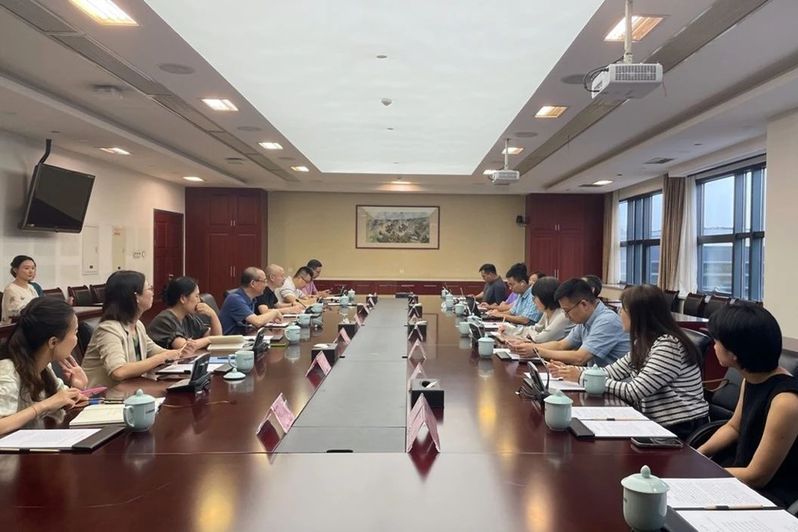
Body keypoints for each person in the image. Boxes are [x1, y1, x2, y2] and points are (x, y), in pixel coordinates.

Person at [549, 285, 709, 439]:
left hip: (679, 427)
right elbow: (611, 372)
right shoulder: (643, 342)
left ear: (639, 315)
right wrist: (572, 371)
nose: (619, 313)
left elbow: (634, 391)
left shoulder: (668, 346)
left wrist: (581, 377)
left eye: (623, 309)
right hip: (655, 423)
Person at [697, 303, 798, 506]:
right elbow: (734, 427)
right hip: (740, 476)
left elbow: (757, 476)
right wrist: (699, 454)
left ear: (734, 354)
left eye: (717, 341)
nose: (714, 346)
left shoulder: (785, 401)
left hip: (769, 495)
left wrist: (704, 472)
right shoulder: (752, 378)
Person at [81, 271, 191, 388]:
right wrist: (162, 358)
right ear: (136, 297)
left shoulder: (137, 325)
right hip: (103, 396)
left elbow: (155, 351)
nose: (153, 292)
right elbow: (118, 371)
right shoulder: (108, 329)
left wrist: (181, 352)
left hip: (129, 391)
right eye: (149, 288)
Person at [0, 298, 88, 436]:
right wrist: (44, 405)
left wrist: (76, 388)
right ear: (53, 342)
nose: (76, 339)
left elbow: (61, 400)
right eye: (75, 332)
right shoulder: (7, 370)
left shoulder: (44, 367)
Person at [534, 278, 629, 367]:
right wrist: (532, 348)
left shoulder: (606, 321)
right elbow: (561, 345)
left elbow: (580, 358)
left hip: (617, 378)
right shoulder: (585, 320)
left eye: (567, 311)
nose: (566, 316)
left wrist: (538, 351)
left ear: (584, 304)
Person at [147, 277, 222, 350]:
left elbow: (217, 338)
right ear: (183, 299)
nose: (199, 300)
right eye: (196, 296)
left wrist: (213, 315)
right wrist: (209, 339)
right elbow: (184, 347)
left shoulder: (188, 317)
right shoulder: (164, 319)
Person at [502, 276, 573, 345]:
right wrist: (509, 330)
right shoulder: (547, 312)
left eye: (535, 297)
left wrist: (530, 333)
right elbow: (536, 328)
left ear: (545, 297)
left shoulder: (563, 316)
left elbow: (541, 339)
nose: (533, 301)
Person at [220, 267, 284, 335]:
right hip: (230, 340)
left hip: (243, 337)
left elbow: (253, 321)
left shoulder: (252, 299)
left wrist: (270, 319)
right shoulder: (235, 299)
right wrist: (274, 312)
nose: (266, 285)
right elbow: (257, 322)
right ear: (253, 283)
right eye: (264, 281)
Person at [1, 255, 40, 324]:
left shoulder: (31, 287)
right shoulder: (10, 289)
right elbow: (15, 312)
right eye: (26, 268)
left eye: (33, 268)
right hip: (15, 326)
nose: (31, 271)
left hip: (32, 323)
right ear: (15, 270)